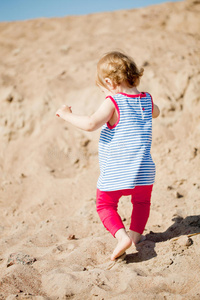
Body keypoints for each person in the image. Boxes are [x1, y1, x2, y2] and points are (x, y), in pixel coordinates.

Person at [55, 51, 160, 261]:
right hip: (144, 171)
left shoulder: (113, 101)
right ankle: (135, 236)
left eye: (102, 88)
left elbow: (91, 123)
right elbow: (156, 112)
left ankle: (122, 237)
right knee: (141, 203)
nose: (104, 92)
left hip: (118, 172)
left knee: (105, 205)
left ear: (109, 82)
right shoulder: (147, 99)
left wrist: (66, 115)